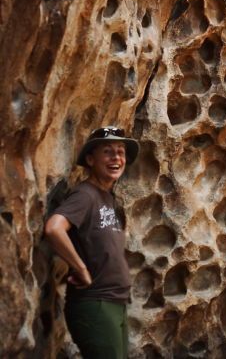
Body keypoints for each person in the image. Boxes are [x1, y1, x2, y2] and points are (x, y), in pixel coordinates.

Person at [44, 126, 139, 358]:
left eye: (121, 151)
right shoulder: (85, 195)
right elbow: (54, 228)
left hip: (115, 302)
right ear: (90, 159)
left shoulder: (109, 198)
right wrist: (81, 268)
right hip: (95, 303)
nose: (116, 157)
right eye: (107, 151)